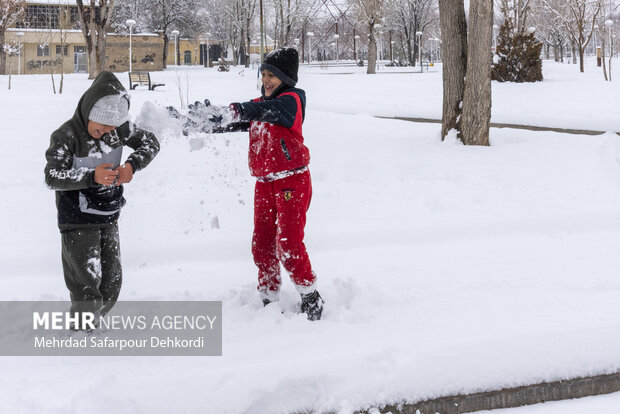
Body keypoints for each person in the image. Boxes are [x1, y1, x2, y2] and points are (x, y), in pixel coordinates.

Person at [175, 48, 324, 320]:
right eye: (264, 74)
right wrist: (202, 122)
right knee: (262, 243)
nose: (266, 80)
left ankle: (309, 293)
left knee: (289, 244)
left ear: (287, 79)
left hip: (292, 181)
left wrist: (234, 110)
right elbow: (243, 118)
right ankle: (269, 296)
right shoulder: (263, 103)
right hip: (265, 184)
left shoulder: (291, 101)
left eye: (272, 76)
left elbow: (256, 110)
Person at [44, 71, 160, 323]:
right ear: (89, 113)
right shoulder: (66, 136)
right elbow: (52, 176)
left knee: (111, 283)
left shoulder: (119, 129)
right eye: (101, 126)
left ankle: (94, 322)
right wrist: (90, 177)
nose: (107, 131)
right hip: (76, 220)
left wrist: (131, 166)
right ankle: (82, 338)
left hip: (109, 215)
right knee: (86, 286)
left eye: (112, 126)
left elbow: (151, 143)